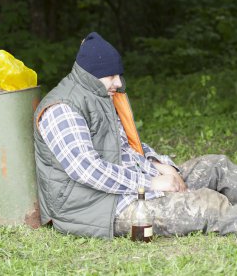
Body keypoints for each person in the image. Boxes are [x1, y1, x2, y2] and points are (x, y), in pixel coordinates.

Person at [34, 32, 237, 239]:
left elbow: (123, 145)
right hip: (100, 206)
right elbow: (87, 169)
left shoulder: (99, 95)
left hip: (130, 184)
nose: (119, 83)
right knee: (207, 206)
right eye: (111, 76)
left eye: (119, 75)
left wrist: (158, 164)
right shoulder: (62, 108)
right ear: (90, 75)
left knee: (217, 166)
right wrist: (151, 183)